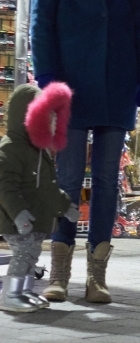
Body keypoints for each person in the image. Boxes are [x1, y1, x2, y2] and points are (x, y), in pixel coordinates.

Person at [30, 0, 140, 304]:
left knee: (107, 181)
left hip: (118, 81)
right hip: (72, 84)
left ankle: (96, 278)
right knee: (66, 180)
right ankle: (60, 276)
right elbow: (40, 21)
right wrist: (48, 79)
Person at [0, 83, 81, 312]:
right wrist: (18, 213)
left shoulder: (39, 151)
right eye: (49, 117)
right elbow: (5, 187)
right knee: (24, 254)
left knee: (31, 255)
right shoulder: (11, 149)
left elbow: (48, 188)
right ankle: (10, 294)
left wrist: (65, 205)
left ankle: (24, 291)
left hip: (34, 221)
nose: (53, 123)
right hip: (18, 221)